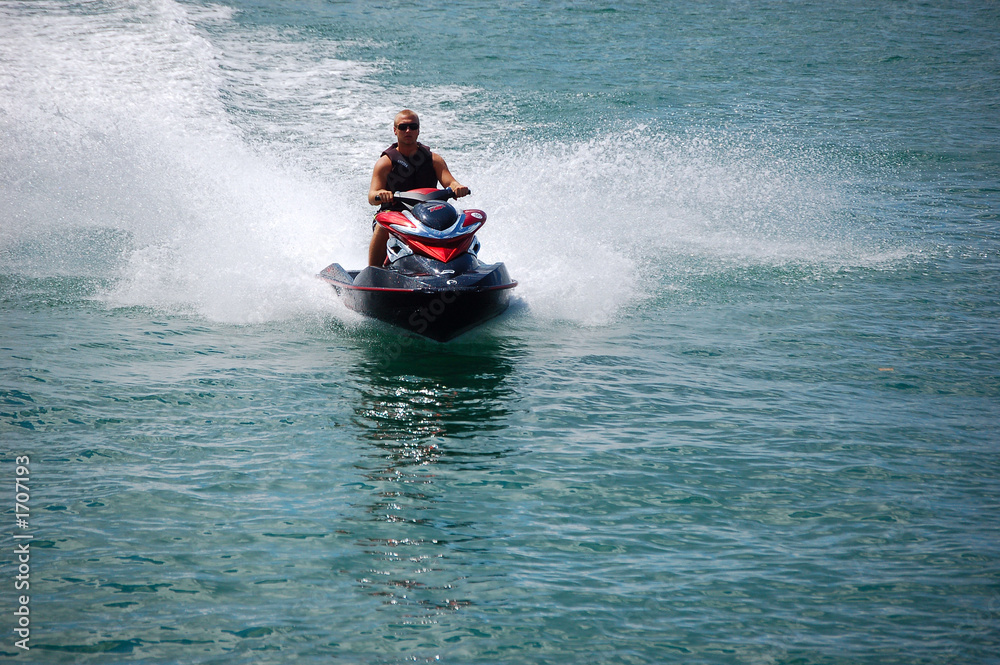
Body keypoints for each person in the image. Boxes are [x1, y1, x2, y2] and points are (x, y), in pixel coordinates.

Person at [367, 109, 470, 266]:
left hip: (428, 216)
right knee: (382, 226)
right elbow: (372, 196)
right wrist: (381, 193)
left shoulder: (434, 159)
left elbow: (451, 182)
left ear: (418, 130)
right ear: (395, 130)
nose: (408, 131)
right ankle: (373, 273)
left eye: (413, 126)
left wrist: (458, 187)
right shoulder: (385, 162)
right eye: (402, 127)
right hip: (395, 215)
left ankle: (465, 265)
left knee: (460, 222)